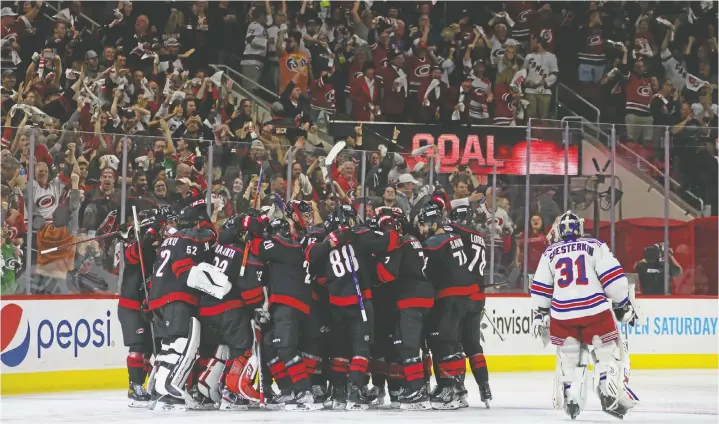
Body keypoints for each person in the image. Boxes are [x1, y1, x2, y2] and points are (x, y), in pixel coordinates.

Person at [529, 211, 639, 420]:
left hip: (562, 313)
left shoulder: (550, 253)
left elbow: (541, 288)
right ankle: (607, 389)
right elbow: (612, 278)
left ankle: (571, 396)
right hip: (594, 309)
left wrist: (540, 312)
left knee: (569, 356)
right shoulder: (595, 246)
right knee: (606, 351)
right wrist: (622, 302)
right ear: (579, 229)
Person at [243, 200, 322, 411]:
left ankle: (304, 391)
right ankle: (288, 390)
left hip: (289, 302)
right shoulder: (297, 244)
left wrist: (253, 225)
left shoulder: (284, 245)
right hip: (290, 303)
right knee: (270, 346)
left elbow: (257, 246)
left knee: (285, 349)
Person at [415, 202, 484, 410]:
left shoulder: (435, 242)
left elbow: (424, 271)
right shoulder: (454, 238)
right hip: (463, 297)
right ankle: (458, 389)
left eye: (425, 224)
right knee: (453, 342)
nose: (422, 229)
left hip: (449, 297)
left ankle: (450, 388)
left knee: (444, 342)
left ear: (435, 222)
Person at [149, 199, 216, 411]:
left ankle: (159, 390)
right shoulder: (189, 236)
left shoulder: (169, 239)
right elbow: (211, 237)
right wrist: (206, 220)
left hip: (158, 297)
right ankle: (169, 392)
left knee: (168, 346)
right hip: (177, 297)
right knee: (179, 345)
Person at [194, 215, 265, 410]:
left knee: (213, 351)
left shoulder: (216, 246)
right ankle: (231, 393)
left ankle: (203, 393)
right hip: (229, 308)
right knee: (241, 349)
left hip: (205, 308)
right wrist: (257, 307)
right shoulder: (243, 252)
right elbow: (248, 289)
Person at [372, 206, 434, 410]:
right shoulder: (414, 238)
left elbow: (389, 274)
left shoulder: (400, 241)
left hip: (411, 296)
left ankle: (417, 391)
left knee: (407, 345)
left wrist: (373, 270)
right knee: (415, 344)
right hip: (426, 293)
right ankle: (419, 386)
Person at [445, 204, 491, 406]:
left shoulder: (460, 232)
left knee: (454, 342)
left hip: (463, 294)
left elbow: (449, 229)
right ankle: (484, 387)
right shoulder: (479, 235)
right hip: (479, 295)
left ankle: (458, 387)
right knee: (473, 344)